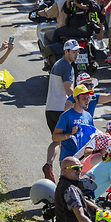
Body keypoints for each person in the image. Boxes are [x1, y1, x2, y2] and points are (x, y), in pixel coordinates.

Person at [55, 156, 111, 222]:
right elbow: (81, 216)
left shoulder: (65, 183)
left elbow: (80, 199)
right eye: (75, 168)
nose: (79, 171)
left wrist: (96, 209)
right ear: (65, 171)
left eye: (80, 167)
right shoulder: (70, 189)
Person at [42, 39, 78, 182]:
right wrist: (80, 97)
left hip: (50, 109)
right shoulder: (67, 67)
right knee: (66, 142)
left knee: (57, 141)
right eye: (73, 52)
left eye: (77, 51)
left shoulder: (57, 64)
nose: (76, 54)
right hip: (61, 110)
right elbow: (69, 89)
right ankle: (64, 176)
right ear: (66, 51)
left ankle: (48, 164)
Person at [52, 84, 96, 162]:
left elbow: (93, 136)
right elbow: (55, 137)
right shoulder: (66, 116)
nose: (87, 100)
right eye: (84, 98)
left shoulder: (88, 116)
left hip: (83, 159)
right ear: (76, 98)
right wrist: (71, 135)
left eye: (88, 97)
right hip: (68, 159)